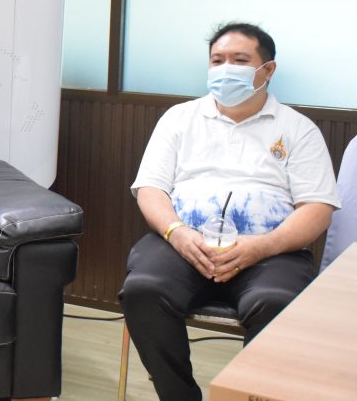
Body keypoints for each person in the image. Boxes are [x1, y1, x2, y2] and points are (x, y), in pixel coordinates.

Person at [120, 22, 339, 401]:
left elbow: (317, 207)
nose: (225, 69)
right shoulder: (179, 119)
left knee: (276, 304)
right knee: (144, 290)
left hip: (270, 252)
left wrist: (262, 246)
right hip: (182, 243)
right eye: (217, 60)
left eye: (239, 60)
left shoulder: (298, 129)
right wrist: (177, 233)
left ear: (267, 70)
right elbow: (151, 189)